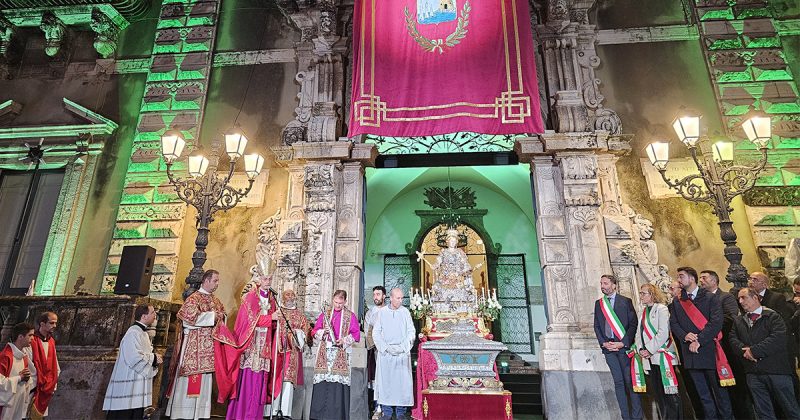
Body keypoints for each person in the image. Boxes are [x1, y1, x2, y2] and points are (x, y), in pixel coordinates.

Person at [669, 267, 734, 420]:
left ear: (692, 278)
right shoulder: (678, 301)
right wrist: (685, 336)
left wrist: (699, 340)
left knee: (720, 393)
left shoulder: (710, 298)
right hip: (690, 353)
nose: (679, 280)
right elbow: (674, 323)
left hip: (709, 351)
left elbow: (716, 322)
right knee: (703, 395)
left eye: (681, 276)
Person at [215, 273, 282, 420]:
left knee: (259, 386)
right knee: (247, 384)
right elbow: (248, 320)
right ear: (259, 279)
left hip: (264, 347)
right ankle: (240, 416)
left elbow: (273, 322)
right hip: (250, 346)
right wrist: (270, 318)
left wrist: (277, 322)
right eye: (265, 279)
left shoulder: (272, 299)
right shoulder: (251, 297)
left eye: (270, 279)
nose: (268, 282)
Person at [729, 287, 800, 420]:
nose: (740, 301)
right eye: (739, 298)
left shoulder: (772, 316)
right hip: (753, 372)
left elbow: (777, 338)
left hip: (776, 371)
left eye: (744, 297)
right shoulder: (739, 321)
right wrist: (744, 350)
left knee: (790, 408)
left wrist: (753, 351)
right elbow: (733, 340)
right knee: (763, 411)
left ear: (755, 298)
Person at [165, 270, 226, 420]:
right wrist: (213, 316)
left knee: (205, 380)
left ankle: (199, 414)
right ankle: (183, 413)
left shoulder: (216, 300)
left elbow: (223, 315)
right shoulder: (194, 298)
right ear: (206, 280)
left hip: (209, 348)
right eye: (215, 281)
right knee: (191, 379)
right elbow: (187, 319)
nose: (217, 284)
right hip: (194, 347)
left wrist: (221, 316)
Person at [700, 270, 753, 419]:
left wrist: (710, 326)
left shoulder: (725, 297)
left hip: (727, 347)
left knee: (737, 388)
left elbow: (731, 318)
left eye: (704, 278)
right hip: (713, 349)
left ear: (714, 281)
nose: (701, 281)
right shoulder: (702, 301)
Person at [592, 274, 642, 420]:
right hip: (609, 349)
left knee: (630, 382)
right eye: (601, 283)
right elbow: (597, 326)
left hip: (623, 348)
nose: (602, 286)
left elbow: (633, 324)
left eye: (606, 283)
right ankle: (625, 417)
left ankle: (637, 417)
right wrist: (604, 343)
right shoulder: (599, 303)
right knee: (618, 383)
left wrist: (623, 343)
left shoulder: (625, 301)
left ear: (614, 285)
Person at [103, 304, 162, 419]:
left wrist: (154, 358)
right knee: (124, 414)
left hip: (136, 383)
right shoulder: (133, 332)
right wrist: (153, 358)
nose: (155, 315)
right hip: (128, 385)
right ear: (144, 316)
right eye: (152, 312)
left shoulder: (142, 332)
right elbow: (133, 357)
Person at [309, 290, 361, 420]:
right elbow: (314, 331)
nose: (337, 305)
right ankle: (319, 415)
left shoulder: (350, 316)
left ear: (345, 301)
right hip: (325, 354)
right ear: (333, 300)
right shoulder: (325, 314)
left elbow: (356, 334)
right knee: (323, 383)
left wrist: (344, 340)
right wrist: (323, 332)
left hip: (340, 353)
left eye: (340, 303)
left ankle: (337, 415)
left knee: (337, 387)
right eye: (336, 302)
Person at [634, 283, 682, 419]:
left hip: (663, 357)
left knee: (670, 394)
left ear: (652, 294)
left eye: (644, 293)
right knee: (659, 394)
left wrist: (649, 349)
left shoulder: (661, 309)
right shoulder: (642, 312)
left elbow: (663, 333)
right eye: (641, 293)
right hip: (650, 359)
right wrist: (641, 349)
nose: (641, 296)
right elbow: (639, 333)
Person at [267, 288, 311, 417]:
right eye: (287, 295)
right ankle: (274, 410)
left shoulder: (300, 315)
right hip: (278, 350)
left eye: (292, 295)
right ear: (283, 298)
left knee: (288, 380)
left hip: (292, 352)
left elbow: (306, 331)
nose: (290, 297)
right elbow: (272, 328)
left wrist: (300, 334)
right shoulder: (278, 312)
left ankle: (285, 412)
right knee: (277, 377)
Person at [373, 288, 415, 420]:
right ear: (390, 298)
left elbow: (411, 332)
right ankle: (387, 411)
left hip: (402, 354)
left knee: (401, 384)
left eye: (402, 298)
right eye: (398, 298)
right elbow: (376, 332)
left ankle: (401, 412)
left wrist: (403, 347)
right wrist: (386, 348)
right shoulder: (382, 313)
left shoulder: (405, 312)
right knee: (386, 384)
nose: (400, 300)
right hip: (386, 354)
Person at [0, 323, 37, 420]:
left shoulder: (23, 356)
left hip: (18, 403)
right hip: (5, 407)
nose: (33, 338)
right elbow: (1, 383)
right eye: (30, 335)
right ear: (20, 337)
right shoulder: (5, 356)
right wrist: (20, 378)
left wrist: (27, 379)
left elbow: (25, 380)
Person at [30, 312, 59, 418]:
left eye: (56, 323)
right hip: (34, 386)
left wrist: (52, 382)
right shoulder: (32, 340)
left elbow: (55, 364)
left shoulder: (51, 341)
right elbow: (29, 363)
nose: (54, 326)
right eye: (51, 323)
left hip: (48, 385)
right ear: (42, 324)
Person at [364, 286, 387, 418]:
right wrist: (375, 346)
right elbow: (368, 332)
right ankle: (378, 406)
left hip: (389, 351)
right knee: (377, 379)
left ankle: (388, 406)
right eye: (374, 295)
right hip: (376, 351)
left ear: (384, 296)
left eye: (378, 294)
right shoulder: (370, 313)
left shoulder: (390, 311)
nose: (375, 297)